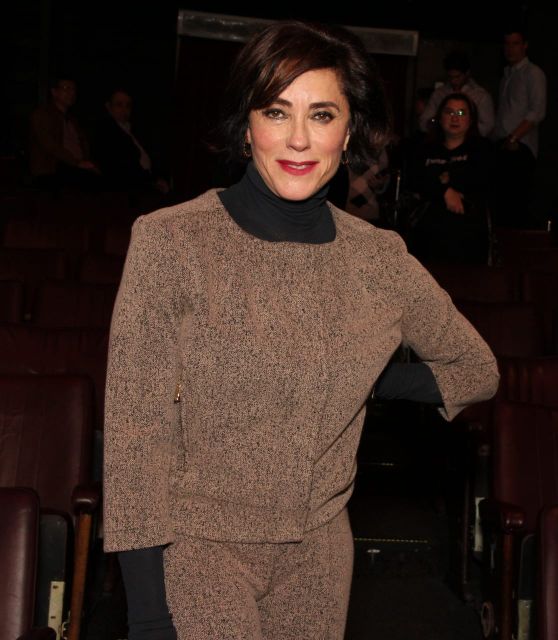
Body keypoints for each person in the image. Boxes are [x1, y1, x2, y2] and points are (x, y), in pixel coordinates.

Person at [103, 22, 499, 640]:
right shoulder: (171, 242)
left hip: (320, 557)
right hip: (199, 549)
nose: (297, 138)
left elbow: (478, 369)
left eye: (321, 114)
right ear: (246, 126)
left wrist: (376, 382)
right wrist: (148, 612)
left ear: (349, 131)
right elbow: (136, 437)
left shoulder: (379, 260)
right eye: (276, 111)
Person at [407, 92, 493, 264]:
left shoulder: (483, 149)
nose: (455, 118)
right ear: (440, 117)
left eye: (461, 113)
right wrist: (444, 191)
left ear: (471, 119)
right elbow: (415, 180)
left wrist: (440, 182)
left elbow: (481, 183)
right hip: (428, 237)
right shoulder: (424, 149)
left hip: (468, 235)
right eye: (449, 112)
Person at [492, 28, 546, 227]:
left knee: (516, 205)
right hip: (503, 144)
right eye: (507, 44)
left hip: (520, 147)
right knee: (501, 203)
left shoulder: (533, 73)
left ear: (525, 46)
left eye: (515, 43)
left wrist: (514, 137)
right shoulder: (507, 74)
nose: (510, 49)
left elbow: (537, 111)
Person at [92, 88, 170, 194]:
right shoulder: (106, 130)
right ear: (108, 106)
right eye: (119, 105)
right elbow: (122, 165)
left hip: (144, 183)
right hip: (126, 188)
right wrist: (152, 180)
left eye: (128, 106)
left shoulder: (133, 130)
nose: (124, 110)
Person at [28, 77, 100, 190]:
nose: (71, 93)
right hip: (52, 168)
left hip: (73, 167)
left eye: (73, 89)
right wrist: (76, 162)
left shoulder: (73, 120)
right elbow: (50, 145)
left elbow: (82, 143)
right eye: (66, 88)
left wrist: (86, 162)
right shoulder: (42, 115)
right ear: (54, 92)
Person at [419, 51, 495, 138]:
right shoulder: (439, 94)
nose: (454, 81)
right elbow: (424, 122)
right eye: (450, 77)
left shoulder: (481, 96)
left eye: (458, 77)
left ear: (467, 73)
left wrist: (463, 135)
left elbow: (487, 126)